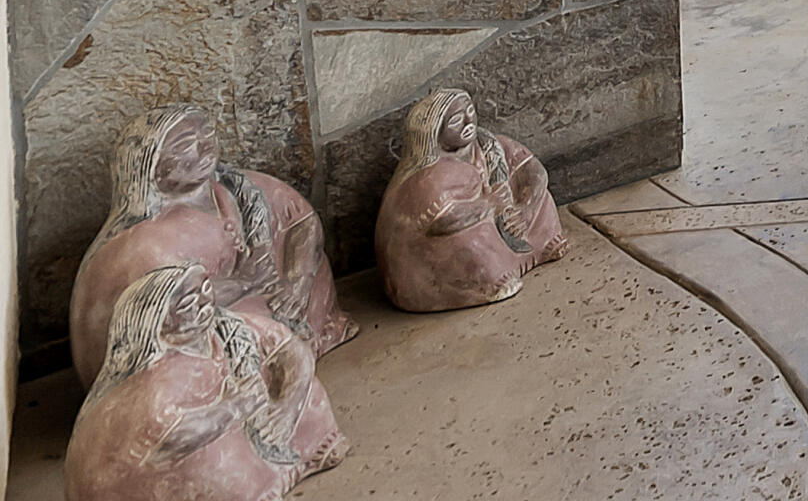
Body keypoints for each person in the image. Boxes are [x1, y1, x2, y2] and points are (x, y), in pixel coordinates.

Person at [72, 108, 351, 394]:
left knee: (304, 282)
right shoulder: (146, 241)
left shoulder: (236, 187)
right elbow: (171, 304)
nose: (204, 146)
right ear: (149, 167)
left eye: (207, 133)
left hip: (281, 292)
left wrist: (298, 280)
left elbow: (301, 220)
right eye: (184, 144)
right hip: (194, 328)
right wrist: (244, 282)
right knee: (251, 332)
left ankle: (309, 333)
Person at [67, 263, 346, 501]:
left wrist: (286, 407)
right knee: (213, 461)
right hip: (163, 465)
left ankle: (292, 456)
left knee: (305, 389)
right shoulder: (156, 378)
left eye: (206, 290)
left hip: (253, 417)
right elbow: (169, 438)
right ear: (158, 321)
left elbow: (290, 347)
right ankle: (261, 480)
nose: (204, 304)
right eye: (188, 303)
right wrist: (233, 407)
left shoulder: (228, 327)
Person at [372, 91, 568, 312]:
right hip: (442, 249)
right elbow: (442, 222)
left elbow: (535, 171)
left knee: (541, 196)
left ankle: (542, 247)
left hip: (511, 217)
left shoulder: (490, 144)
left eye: (470, 112)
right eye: (456, 120)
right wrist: (489, 206)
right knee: (470, 238)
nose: (468, 122)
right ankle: (488, 282)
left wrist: (526, 209)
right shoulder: (428, 177)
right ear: (434, 133)